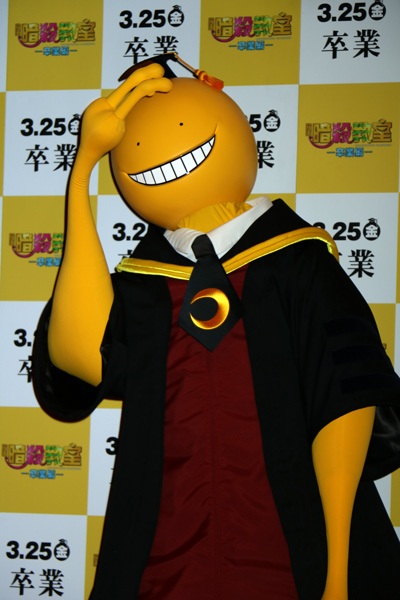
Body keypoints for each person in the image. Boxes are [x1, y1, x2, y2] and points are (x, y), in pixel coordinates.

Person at [33, 54, 400, 599]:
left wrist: (338, 575)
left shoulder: (298, 263)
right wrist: (84, 166)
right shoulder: (143, 285)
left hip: (292, 557)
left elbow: (344, 401)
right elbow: (78, 358)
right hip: (163, 564)